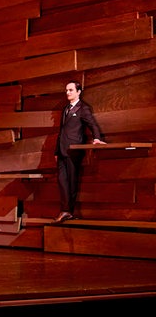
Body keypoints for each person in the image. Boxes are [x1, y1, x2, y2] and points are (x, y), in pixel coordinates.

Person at [53, 80, 106, 224]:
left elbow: (92, 124)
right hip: (62, 150)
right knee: (62, 182)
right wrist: (56, 151)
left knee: (71, 182)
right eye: (66, 90)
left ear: (78, 92)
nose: (68, 93)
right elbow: (61, 132)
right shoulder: (65, 109)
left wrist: (96, 138)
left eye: (70, 90)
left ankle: (67, 211)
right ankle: (65, 210)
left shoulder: (83, 108)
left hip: (74, 151)